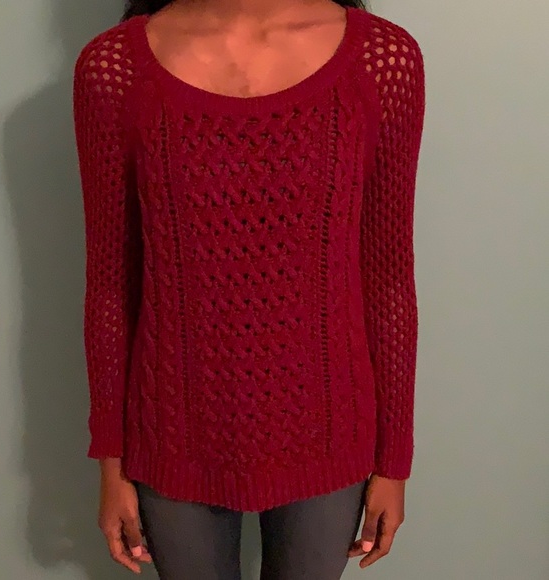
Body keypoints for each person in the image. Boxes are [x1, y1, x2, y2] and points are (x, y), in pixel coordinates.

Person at [72, 0, 426, 578]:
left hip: (330, 427)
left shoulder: (381, 59)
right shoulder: (115, 67)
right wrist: (110, 463)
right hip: (173, 431)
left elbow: (387, 278)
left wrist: (394, 461)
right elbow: (112, 284)